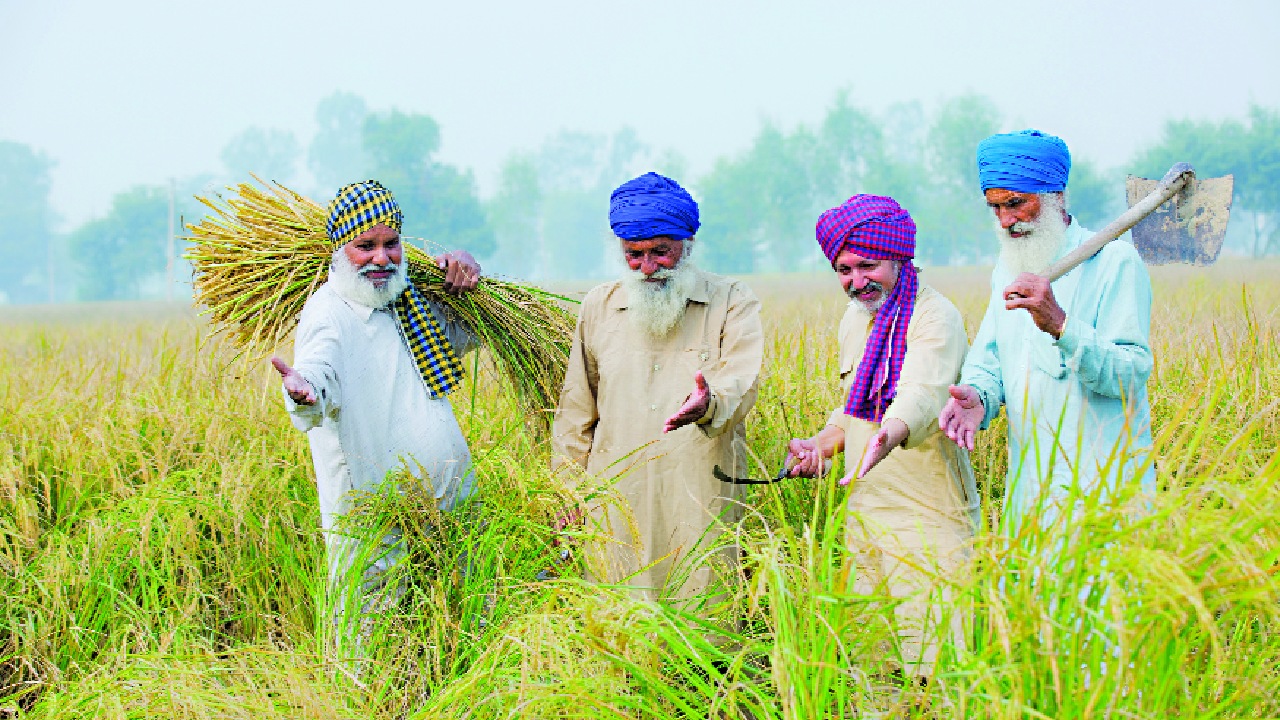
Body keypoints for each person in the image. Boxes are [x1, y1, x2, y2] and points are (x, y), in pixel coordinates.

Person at [270, 179, 483, 624]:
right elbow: (319, 368)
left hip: (446, 512)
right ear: (339, 251)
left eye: (391, 244)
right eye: (365, 247)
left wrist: (468, 277)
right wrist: (305, 389)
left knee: (460, 624)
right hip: (376, 520)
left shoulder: (408, 303)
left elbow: (464, 333)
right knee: (375, 633)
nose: (382, 259)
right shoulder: (329, 313)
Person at [785, 194, 979, 678]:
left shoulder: (934, 316)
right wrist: (818, 447)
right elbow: (853, 411)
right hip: (865, 515)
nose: (856, 282)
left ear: (898, 257)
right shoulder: (855, 319)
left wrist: (885, 438)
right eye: (844, 270)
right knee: (872, 668)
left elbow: (922, 395)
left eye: (867, 266)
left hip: (928, 517)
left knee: (937, 669)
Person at [551, 172, 764, 605]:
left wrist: (709, 403)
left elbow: (741, 382)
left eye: (661, 252)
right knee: (617, 622)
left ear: (687, 244)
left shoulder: (731, 301)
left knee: (704, 620)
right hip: (614, 502)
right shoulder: (598, 306)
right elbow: (576, 411)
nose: (648, 268)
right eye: (635, 254)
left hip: (699, 499)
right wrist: (567, 491)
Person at [939, 129, 1156, 528]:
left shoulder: (1115, 263)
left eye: (1016, 204)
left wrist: (1059, 324)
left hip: (1103, 492)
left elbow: (1130, 374)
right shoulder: (1008, 269)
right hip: (1031, 493)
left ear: (1056, 196)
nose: (1006, 220)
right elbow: (990, 361)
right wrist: (978, 395)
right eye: (995, 208)